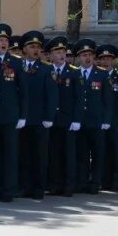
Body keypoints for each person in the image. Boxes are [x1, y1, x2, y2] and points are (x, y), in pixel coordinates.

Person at [0, 23, 28, 203]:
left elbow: (24, 92)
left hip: (10, 116)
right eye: (0, 40)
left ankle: (9, 190)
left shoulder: (17, 62)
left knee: (10, 153)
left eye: (6, 40)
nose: (4, 43)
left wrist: (23, 116)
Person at [18, 31, 57, 200]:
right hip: (21, 119)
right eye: (31, 46)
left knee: (40, 155)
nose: (35, 50)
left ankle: (38, 188)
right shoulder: (17, 66)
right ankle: (24, 186)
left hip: (39, 119)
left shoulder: (47, 69)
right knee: (23, 154)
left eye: (37, 47)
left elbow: (52, 95)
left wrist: (48, 117)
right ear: (23, 49)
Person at [71, 39, 113, 194]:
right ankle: (82, 182)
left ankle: (95, 182)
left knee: (97, 154)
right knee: (81, 154)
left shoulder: (102, 74)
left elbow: (108, 100)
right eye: (83, 55)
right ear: (78, 58)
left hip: (97, 122)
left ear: (94, 57)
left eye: (89, 54)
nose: (87, 58)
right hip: (80, 122)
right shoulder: (74, 74)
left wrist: (106, 120)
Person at [44, 37, 78, 197]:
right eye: (57, 52)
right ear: (49, 55)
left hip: (68, 119)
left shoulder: (74, 72)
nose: (61, 54)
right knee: (53, 153)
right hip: (51, 119)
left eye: (63, 51)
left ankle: (68, 185)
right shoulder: (46, 71)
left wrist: (76, 119)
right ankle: (54, 184)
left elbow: (79, 98)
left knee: (68, 154)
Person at [96, 44, 118, 191]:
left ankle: (115, 181)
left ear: (113, 60)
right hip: (100, 121)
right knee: (101, 151)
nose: (106, 62)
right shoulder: (97, 76)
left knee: (115, 152)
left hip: (115, 122)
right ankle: (102, 180)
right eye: (103, 59)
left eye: (108, 59)